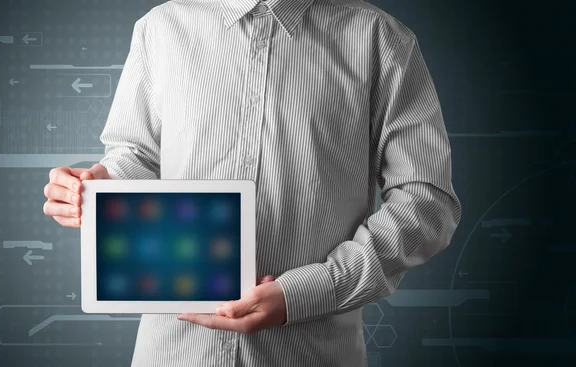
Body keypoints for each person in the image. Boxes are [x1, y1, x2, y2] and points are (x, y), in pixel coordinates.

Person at [42, 0, 462, 365]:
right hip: (172, 353)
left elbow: (426, 201)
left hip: (310, 355)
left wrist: (310, 291)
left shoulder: (380, 39)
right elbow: (139, 155)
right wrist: (97, 186)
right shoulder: (161, 27)